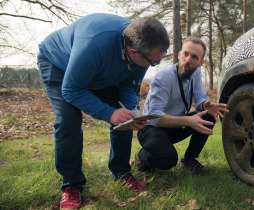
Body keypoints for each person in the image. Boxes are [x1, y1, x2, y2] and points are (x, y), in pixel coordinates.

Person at [37, 13, 169, 209]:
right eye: (153, 63)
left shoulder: (139, 48)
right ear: (133, 52)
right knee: (68, 121)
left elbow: (128, 84)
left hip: (101, 69)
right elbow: (71, 89)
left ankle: (122, 172)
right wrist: (109, 113)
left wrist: (132, 110)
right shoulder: (93, 44)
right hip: (59, 65)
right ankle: (71, 185)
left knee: (126, 117)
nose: (153, 66)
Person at [136, 37, 228, 175]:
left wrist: (205, 105)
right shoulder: (163, 77)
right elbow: (154, 117)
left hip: (174, 125)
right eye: (186, 54)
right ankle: (141, 157)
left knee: (208, 116)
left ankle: (190, 160)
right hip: (150, 128)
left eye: (194, 57)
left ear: (200, 63)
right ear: (179, 55)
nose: (188, 59)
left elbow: (200, 99)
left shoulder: (196, 73)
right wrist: (188, 120)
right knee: (169, 160)